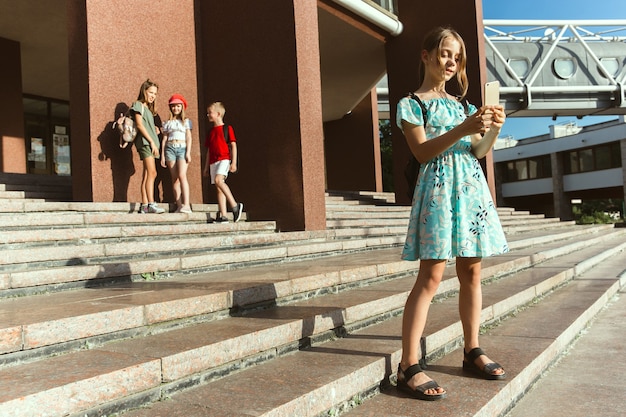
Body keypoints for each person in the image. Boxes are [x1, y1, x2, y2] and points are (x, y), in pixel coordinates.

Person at [395, 26, 509, 401]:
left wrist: (490, 129)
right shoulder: (411, 103)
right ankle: (408, 364)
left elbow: (478, 151)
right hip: (438, 191)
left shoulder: (462, 104)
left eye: (456, 57)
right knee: (431, 276)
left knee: (472, 270)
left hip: (470, 190)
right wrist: (464, 126)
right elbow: (422, 152)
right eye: (445, 53)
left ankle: (471, 348)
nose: (451, 62)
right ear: (426, 55)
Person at [202, 101, 243, 223]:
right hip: (213, 162)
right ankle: (224, 216)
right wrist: (206, 168)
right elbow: (209, 150)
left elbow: (233, 145)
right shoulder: (211, 132)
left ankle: (235, 205)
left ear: (218, 114)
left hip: (224, 159)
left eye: (210, 113)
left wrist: (233, 162)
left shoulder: (227, 128)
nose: (208, 115)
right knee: (218, 188)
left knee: (219, 181)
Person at [132, 79, 166, 214]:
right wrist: (152, 141)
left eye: (155, 94)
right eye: (151, 92)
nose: (153, 96)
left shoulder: (149, 110)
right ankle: (151, 203)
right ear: (144, 91)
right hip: (146, 143)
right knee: (152, 173)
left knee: (147, 174)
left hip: (151, 143)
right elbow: (139, 125)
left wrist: (155, 131)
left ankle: (145, 205)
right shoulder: (138, 105)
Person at [161, 94, 193, 213]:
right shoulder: (167, 123)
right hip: (170, 148)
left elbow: (189, 137)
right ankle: (179, 205)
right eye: (173, 106)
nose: (176, 108)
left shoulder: (186, 122)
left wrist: (188, 152)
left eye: (178, 106)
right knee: (174, 178)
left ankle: (186, 204)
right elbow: (164, 139)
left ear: (182, 107)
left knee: (182, 175)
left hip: (182, 148)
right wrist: (163, 156)